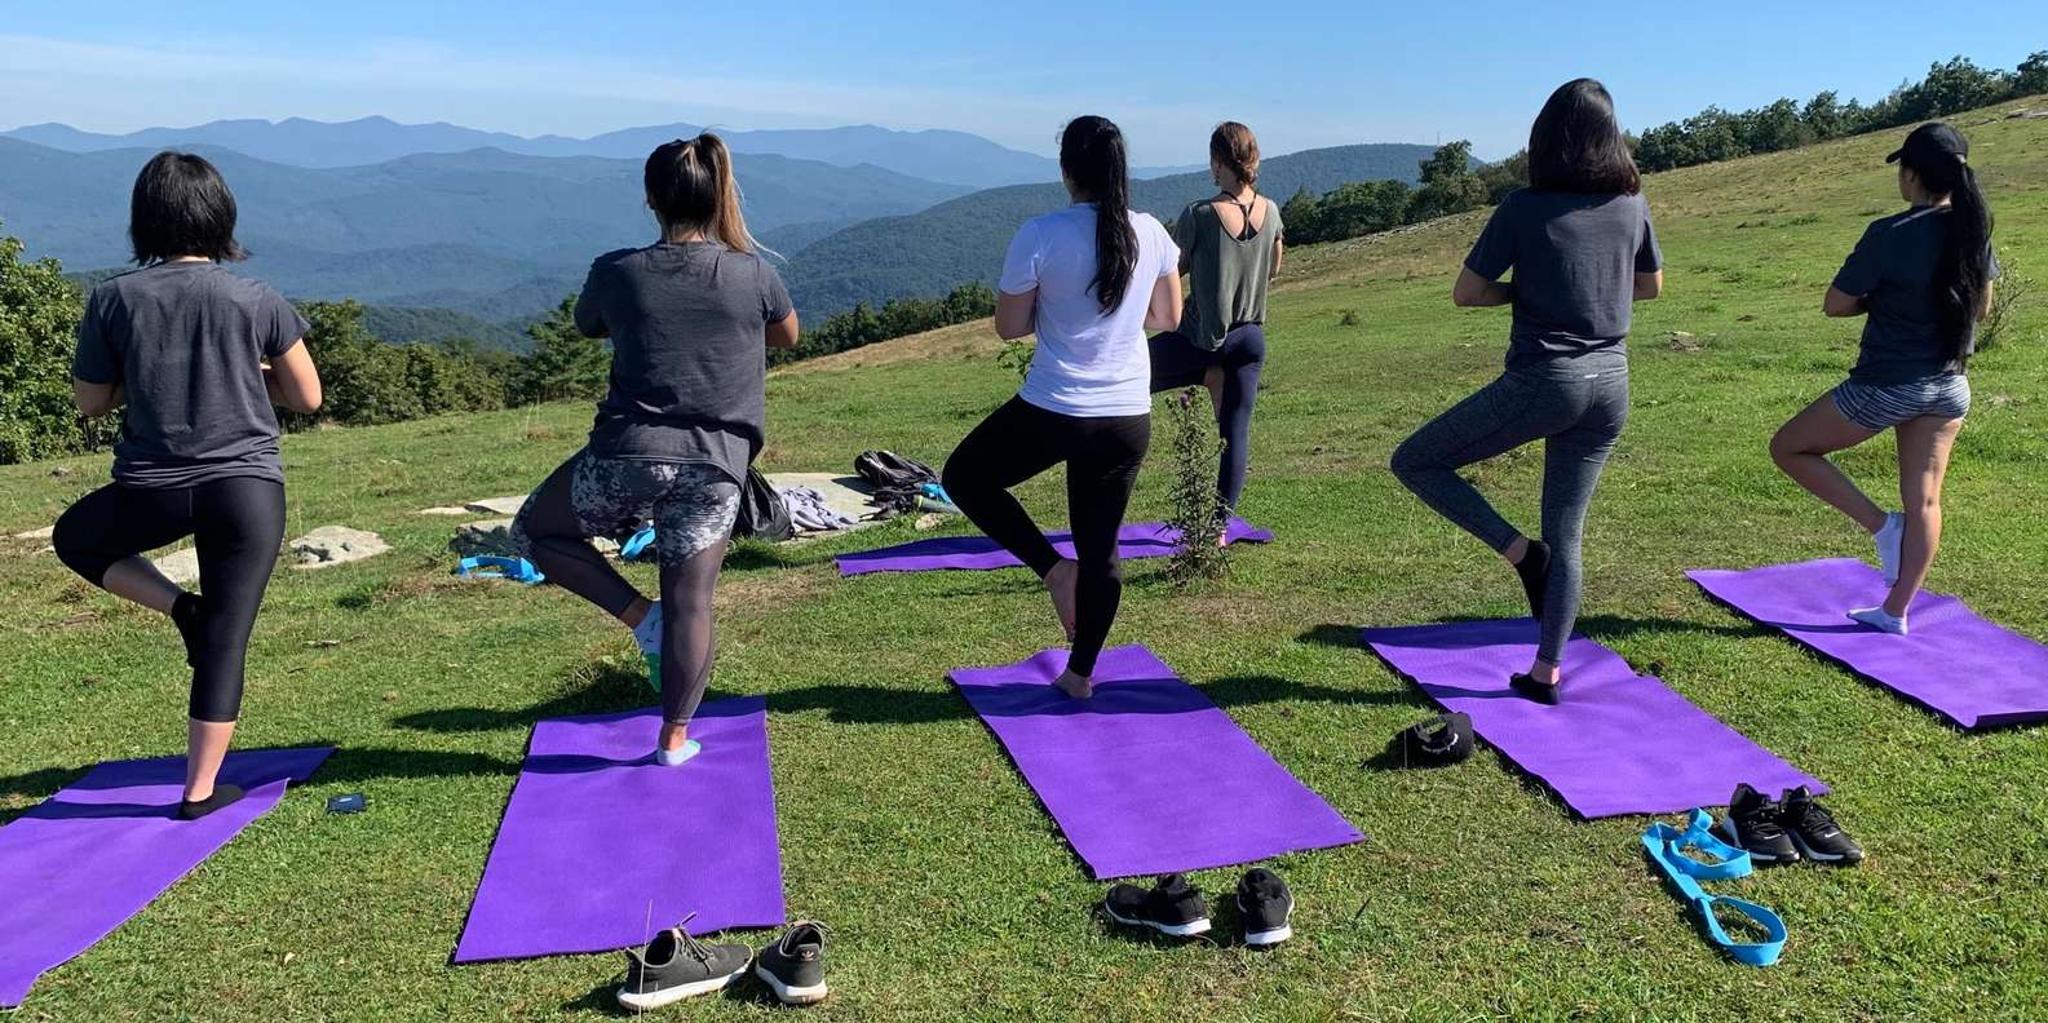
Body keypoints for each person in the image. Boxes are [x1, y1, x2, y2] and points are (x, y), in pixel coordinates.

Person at [510, 134, 799, 765]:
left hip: (626, 456)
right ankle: (674, 738)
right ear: (720, 192)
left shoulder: (617, 270)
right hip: (717, 466)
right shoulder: (753, 272)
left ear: (650, 198)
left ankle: (642, 617)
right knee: (694, 602)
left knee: (536, 530)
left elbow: (587, 324)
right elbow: (787, 334)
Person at [53, 152, 324, 819]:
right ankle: (199, 792)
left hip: (154, 487)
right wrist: (246, 369)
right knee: (228, 638)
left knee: (77, 538)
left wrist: (138, 377)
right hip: (248, 487)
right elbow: (307, 397)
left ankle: (181, 608)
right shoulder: (257, 297)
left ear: (145, 221)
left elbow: (90, 402)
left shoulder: (114, 298)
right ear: (220, 214)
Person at [1390, 79, 1662, 704]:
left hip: (1547, 378)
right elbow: (1649, 289)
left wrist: (1529, 290)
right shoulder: (1632, 205)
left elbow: (1468, 292)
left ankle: (1519, 553)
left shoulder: (1523, 207)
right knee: (1567, 533)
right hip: (1612, 382)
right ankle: (1547, 673)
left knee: (1416, 460)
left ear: (1548, 138)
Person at [942, 115, 1182, 700]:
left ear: (1067, 172)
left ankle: (1053, 570)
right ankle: (1081, 674)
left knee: (965, 477)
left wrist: (1058, 315)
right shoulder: (1151, 233)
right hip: (1126, 414)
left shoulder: (1042, 233)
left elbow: (1008, 327)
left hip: (1054, 408)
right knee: (1102, 547)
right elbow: (1167, 318)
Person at [1768, 122, 1996, 636]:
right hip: (1949, 385)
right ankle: (1895, 612)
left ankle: (1881, 526)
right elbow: (1981, 305)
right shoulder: (1971, 229)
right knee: (1927, 499)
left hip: (1887, 384)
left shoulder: (1889, 234)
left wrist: (1881, 302)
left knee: (1789, 448)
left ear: (1911, 175)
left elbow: (1836, 304)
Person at [1149, 121, 1283, 525]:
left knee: (1127, 376)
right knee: (1234, 433)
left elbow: (1172, 271)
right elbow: (1275, 268)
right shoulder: (1272, 210)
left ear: (1217, 162)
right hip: (1250, 338)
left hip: (1202, 337)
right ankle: (1219, 528)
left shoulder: (1201, 214)